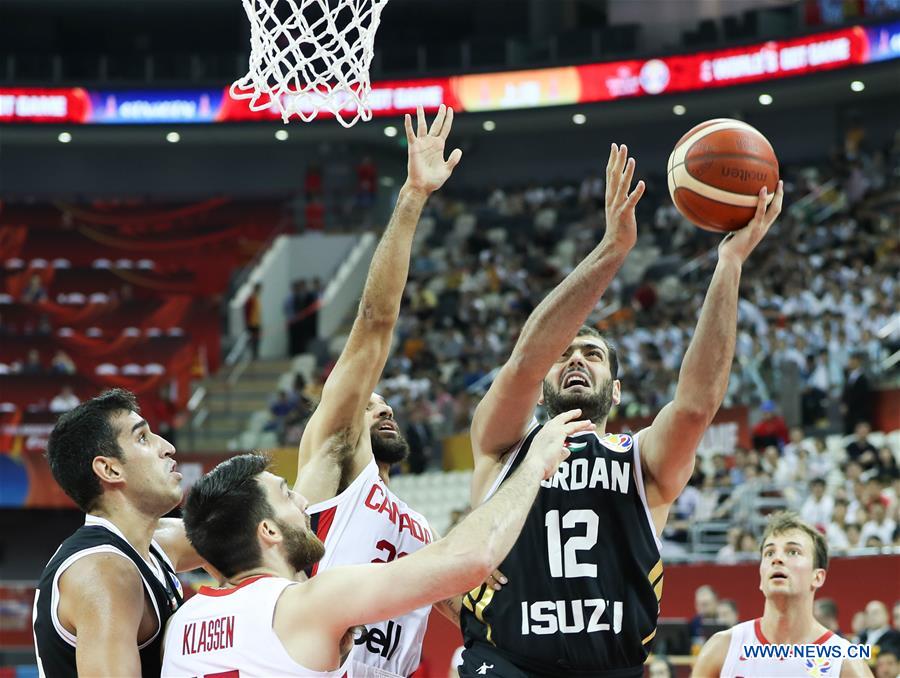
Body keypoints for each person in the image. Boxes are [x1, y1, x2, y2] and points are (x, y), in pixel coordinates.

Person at [460, 145, 784, 677]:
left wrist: (729, 263)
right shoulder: (502, 447)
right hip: (507, 661)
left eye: (592, 355)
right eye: (563, 355)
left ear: (615, 392)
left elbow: (697, 405)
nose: (576, 361)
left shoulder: (640, 461)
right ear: (544, 386)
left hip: (612, 665)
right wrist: (612, 250)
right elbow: (523, 361)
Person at [160, 412, 588, 677]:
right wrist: (535, 463)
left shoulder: (183, 620)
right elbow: (469, 557)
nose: (303, 500)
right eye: (288, 495)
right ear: (268, 531)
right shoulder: (310, 600)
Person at [292, 106, 464, 678]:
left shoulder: (422, 528)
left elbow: (472, 616)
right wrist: (413, 197)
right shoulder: (334, 454)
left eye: (386, 401)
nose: (382, 404)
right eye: (371, 400)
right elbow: (374, 322)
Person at [32, 389, 203, 677]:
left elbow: (257, 531)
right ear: (110, 469)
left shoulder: (152, 543)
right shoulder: (103, 572)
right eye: (143, 437)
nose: (168, 447)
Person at [693, 512, 872, 677]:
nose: (777, 559)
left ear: (817, 577)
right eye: (769, 552)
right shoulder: (722, 648)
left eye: (793, 552)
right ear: (761, 578)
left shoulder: (845, 663)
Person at [244, 282, 263, 360]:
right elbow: (247, 311)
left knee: (257, 340)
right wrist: (248, 322)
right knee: (253, 340)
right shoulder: (251, 299)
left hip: (257, 322)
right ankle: (253, 355)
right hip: (252, 323)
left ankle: (255, 354)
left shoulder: (256, 298)